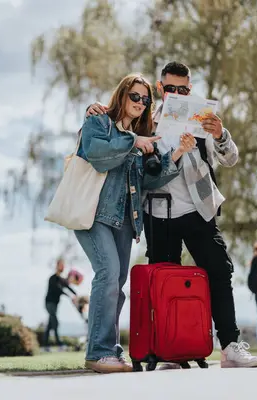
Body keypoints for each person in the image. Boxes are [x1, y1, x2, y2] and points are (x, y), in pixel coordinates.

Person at [86, 61, 257, 368]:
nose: (177, 95)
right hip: (158, 212)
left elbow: (230, 157)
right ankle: (168, 350)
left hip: (199, 209)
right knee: (162, 282)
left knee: (219, 272)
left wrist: (221, 133)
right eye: (171, 90)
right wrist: (96, 108)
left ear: (190, 90)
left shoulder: (203, 119)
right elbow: (119, 126)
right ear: (160, 88)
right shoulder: (145, 121)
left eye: (183, 90)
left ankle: (230, 347)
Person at [75, 72, 195, 374]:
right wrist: (132, 141)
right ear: (122, 94)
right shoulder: (98, 122)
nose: (140, 103)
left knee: (116, 283)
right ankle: (98, 352)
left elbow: (148, 181)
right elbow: (97, 155)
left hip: (126, 220)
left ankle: (110, 352)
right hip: (94, 214)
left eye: (145, 99)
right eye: (135, 96)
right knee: (108, 274)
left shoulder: (142, 139)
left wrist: (178, 153)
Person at [43, 258, 77, 349]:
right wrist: (69, 296)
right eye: (61, 265)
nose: (63, 267)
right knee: (55, 322)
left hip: (55, 304)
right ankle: (59, 343)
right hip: (49, 303)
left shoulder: (62, 279)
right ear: (57, 266)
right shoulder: (52, 278)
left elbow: (68, 287)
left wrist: (76, 295)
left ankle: (45, 345)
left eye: (63, 265)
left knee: (50, 324)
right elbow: (58, 290)